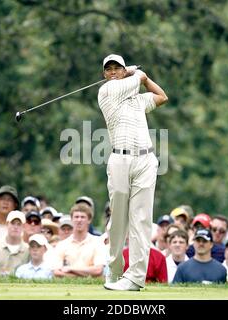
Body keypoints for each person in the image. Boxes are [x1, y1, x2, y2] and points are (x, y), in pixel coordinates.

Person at [98, 53, 168, 291]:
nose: (114, 71)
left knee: (141, 220)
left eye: (118, 67)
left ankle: (136, 277)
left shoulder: (137, 100)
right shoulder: (106, 92)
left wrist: (146, 80)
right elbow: (134, 80)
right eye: (110, 69)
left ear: (123, 69)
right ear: (105, 75)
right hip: (119, 159)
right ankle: (115, 270)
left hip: (146, 160)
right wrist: (138, 74)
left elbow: (162, 96)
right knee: (118, 218)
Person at [52, 203, 106, 278]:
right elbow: (56, 272)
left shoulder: (97, 242)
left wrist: (71, 269)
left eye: (83, 217)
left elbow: (98, 270)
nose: (79, 220)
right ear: (72, 219)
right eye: (76, 217)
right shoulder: (62, 245)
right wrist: (86, 274)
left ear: (89, 220)